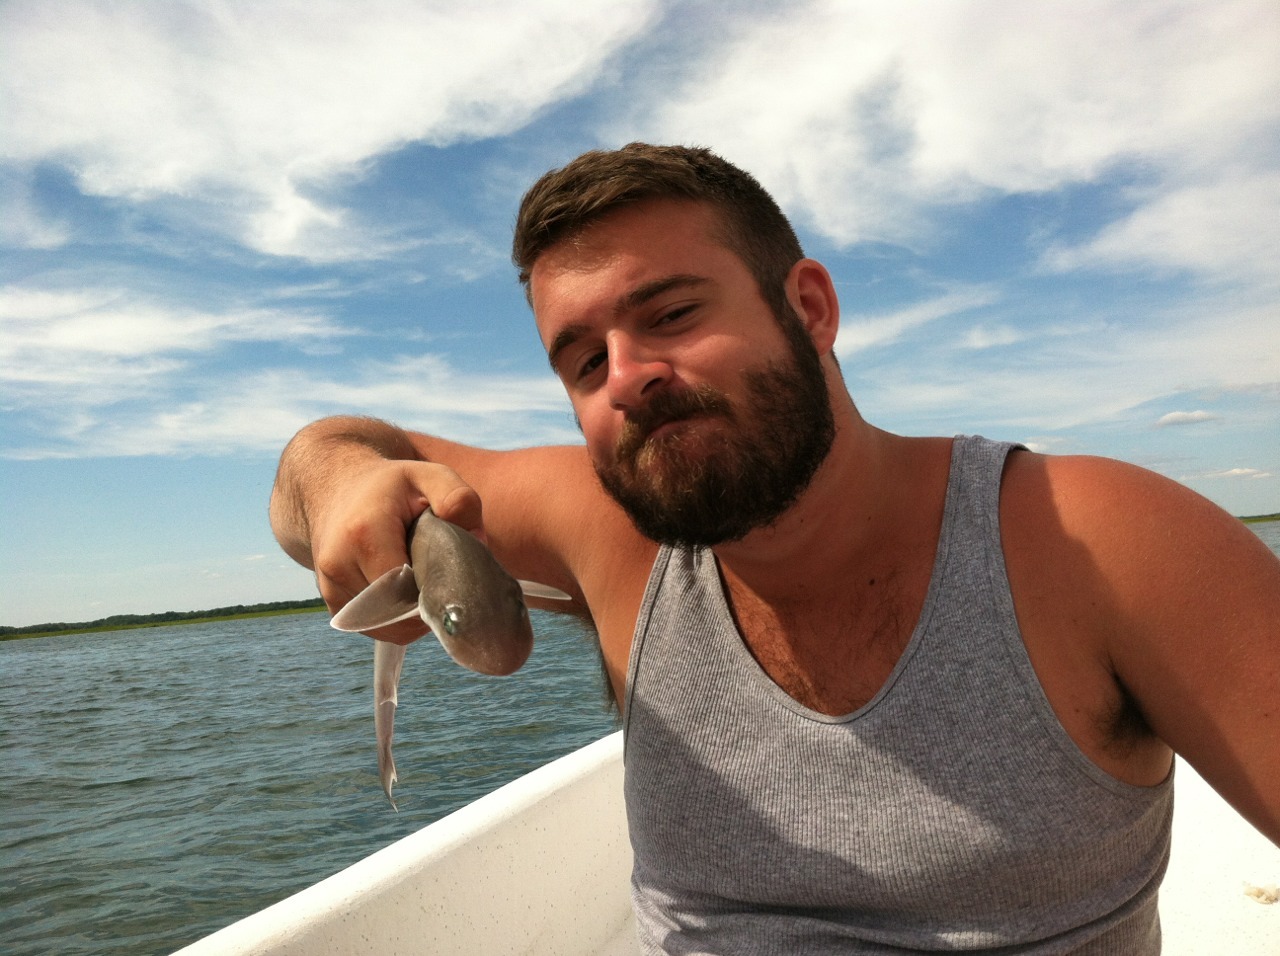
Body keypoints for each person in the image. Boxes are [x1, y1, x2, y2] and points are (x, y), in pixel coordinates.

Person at [270, 143, 1280, 954]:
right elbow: (320, 459)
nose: (625, 376)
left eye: (668, 314)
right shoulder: (611, 531)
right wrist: (343, 482)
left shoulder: (1095, 541)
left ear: (808, 308)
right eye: (582, 361)